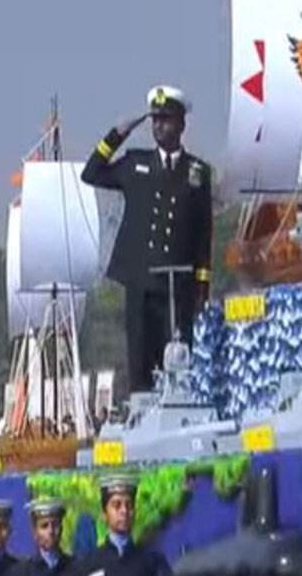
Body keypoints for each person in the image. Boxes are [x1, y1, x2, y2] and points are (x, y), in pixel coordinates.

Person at [81, 85, 214, 393]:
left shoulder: (197, 172)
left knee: (178, 360)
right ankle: (142, 410)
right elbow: (92, 173)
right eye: (155, 120)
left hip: (178, 285)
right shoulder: (135, 163)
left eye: (165, 120)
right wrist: (117, 135)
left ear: (181, 124)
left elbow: (203, 233)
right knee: (141, 362)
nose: (159, 126)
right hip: (141, 283)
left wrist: (202, 286)